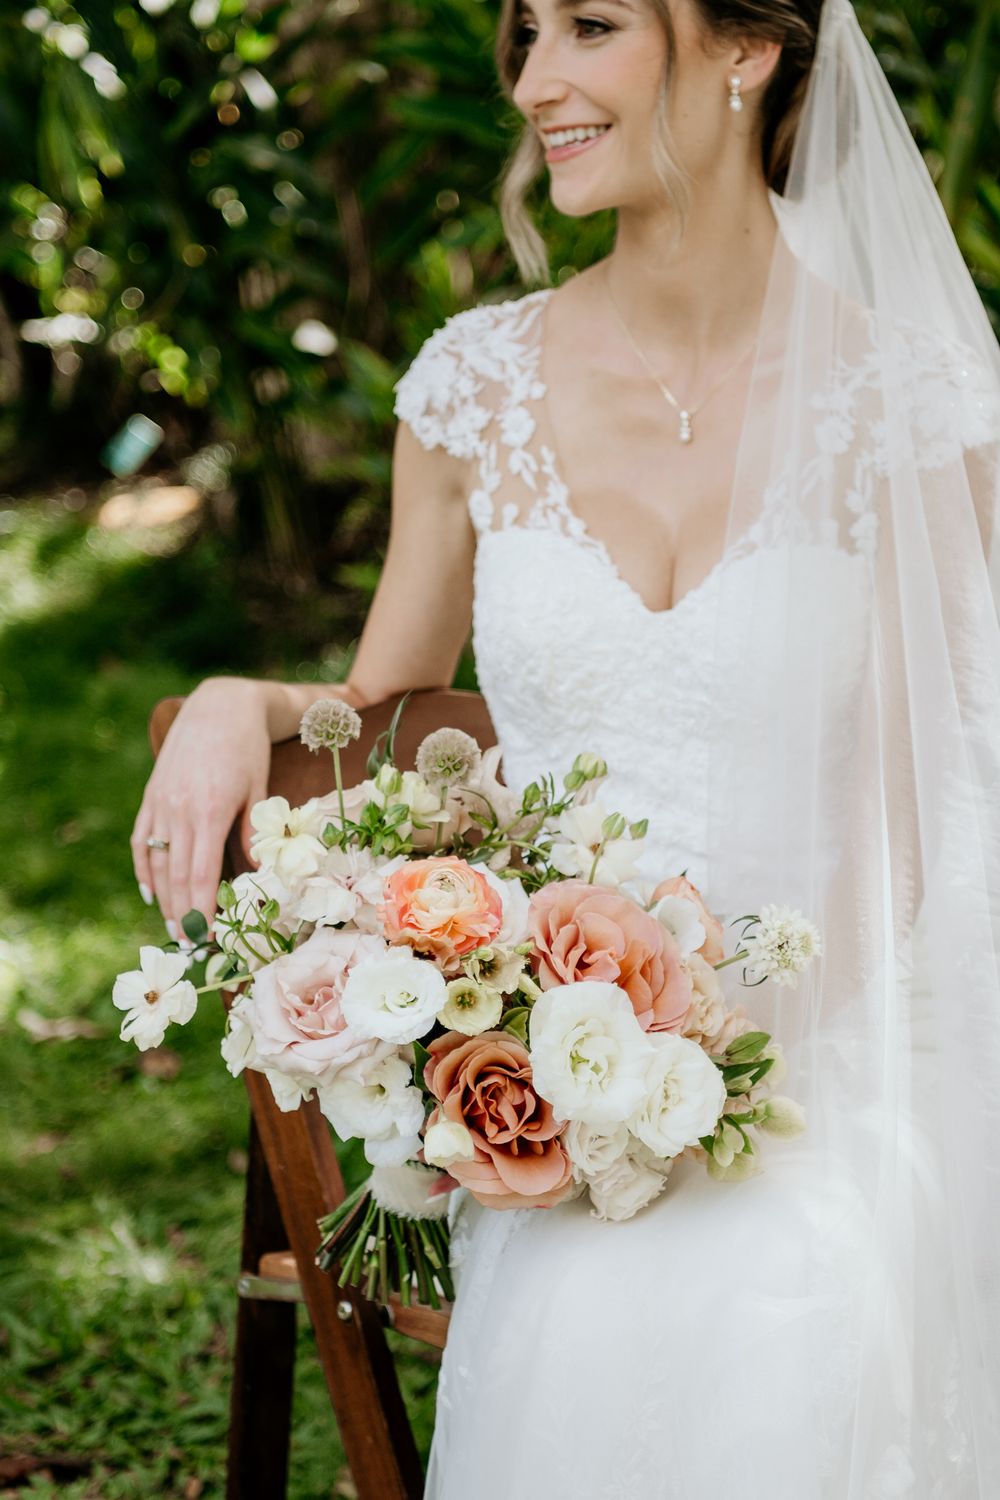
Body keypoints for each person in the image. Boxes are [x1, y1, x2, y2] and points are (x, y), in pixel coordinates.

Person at [133, 0, 1000, 1493]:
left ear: (747, 50)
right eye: (526, 35)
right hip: (552, 1079)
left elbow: (923, 819)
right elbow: (386, 706)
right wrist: (238, 704)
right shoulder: (472, 388)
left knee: (797, 1272)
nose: (536, 82)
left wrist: (714, 1080)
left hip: (837, 1051)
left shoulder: (913, 407)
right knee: (602, 1270)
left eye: (590, 25)